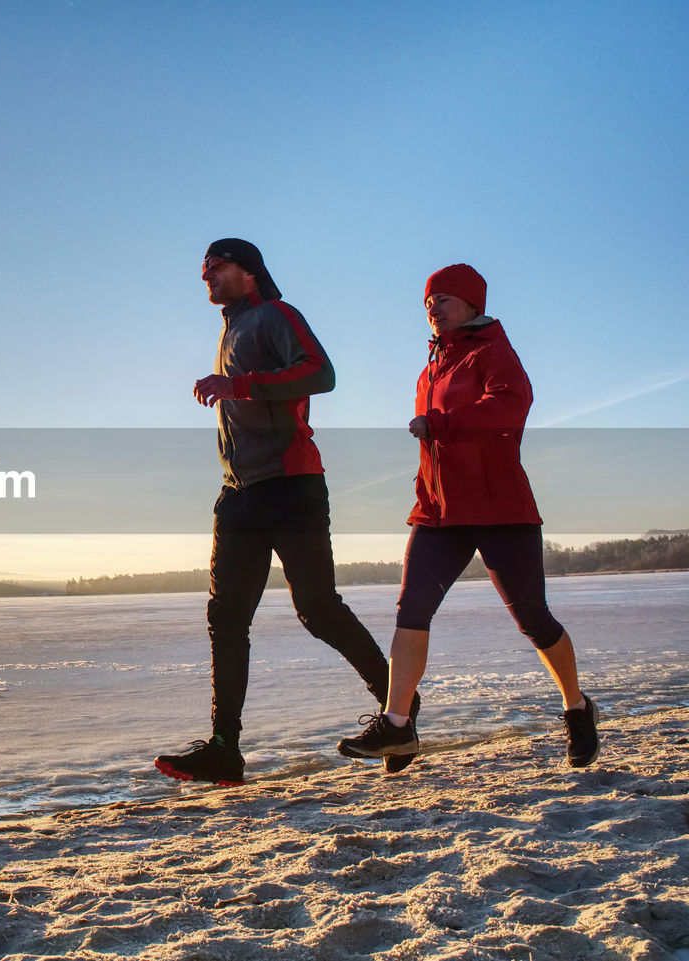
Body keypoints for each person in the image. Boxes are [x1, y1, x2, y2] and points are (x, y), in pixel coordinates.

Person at [155, 238, 409, 786]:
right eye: (202, 268)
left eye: (216, 266)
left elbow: (321, 373)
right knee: (226, 619)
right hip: (239, 492)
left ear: (248, 273)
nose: (206, 275)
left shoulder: (275, 314)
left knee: (318, 609)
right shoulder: (231, 327)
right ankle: (225, 749)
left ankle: (399, 710)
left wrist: (238, 385)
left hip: (291, 483)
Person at [337, 263, 600, 769]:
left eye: (444, 300)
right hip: (439, 513)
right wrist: (425, 486)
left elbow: (511, 406)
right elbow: (433, 445)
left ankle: (576, 706)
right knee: (411, 610)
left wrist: (443, 422)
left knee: (533, 619)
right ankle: (397, 726)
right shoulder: (430, 368)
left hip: (500, 510)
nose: (433, 309)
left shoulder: (492, 351)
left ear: (472, 305)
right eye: (428, 303)